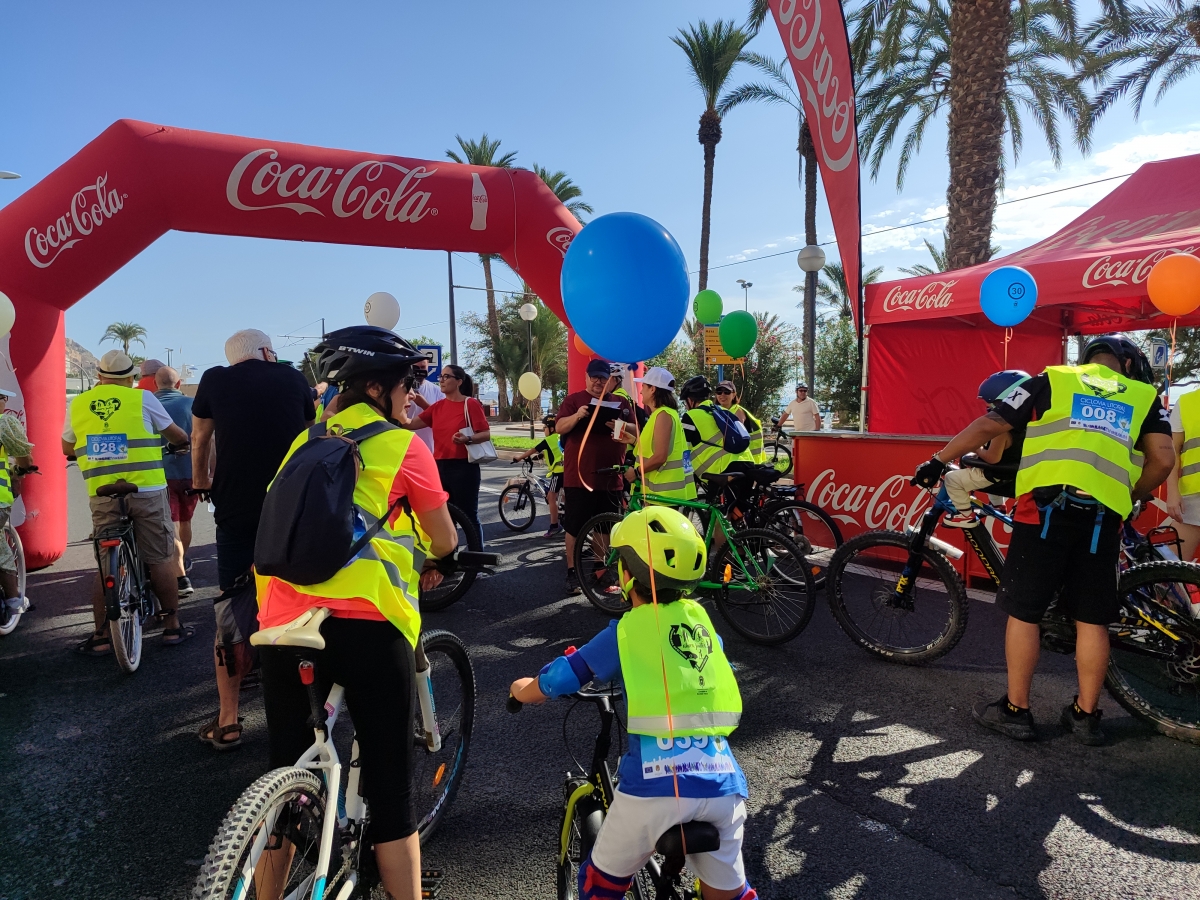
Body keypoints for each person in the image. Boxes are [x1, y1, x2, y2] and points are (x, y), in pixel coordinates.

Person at [256, 326, 457, 900]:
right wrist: (438, 555)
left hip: (282, 622)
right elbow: (442, 540)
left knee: (286, 781)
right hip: (366, 625)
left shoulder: (305, 440)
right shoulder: (402, 445)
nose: (408, 399)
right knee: (392, 793)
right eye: (404, 387)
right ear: (377, 388)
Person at [912, 334, 1174, 745]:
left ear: (1087, 359)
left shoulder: (1052, 379)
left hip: (1045, 514)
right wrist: (1133, 497)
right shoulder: (1142, 396)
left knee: (1026, 613)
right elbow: (1163, 459)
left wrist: (937, 460)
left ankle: (1017, 711)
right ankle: (1085, 717)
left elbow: (989, 424)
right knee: (1093, 621)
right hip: (1103, 518)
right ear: (1125, 365)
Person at [510, 506, 757, 900]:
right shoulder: (704, 626)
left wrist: (522, 689)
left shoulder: (626, 631)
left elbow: (563, 677)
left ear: (627, 575)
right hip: (721, 785)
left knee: (600, 884)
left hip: (654, 791)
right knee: (729, 893)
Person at [191, 329, 315, 749]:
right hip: (291, 508)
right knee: (301, 599)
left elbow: (200, 438)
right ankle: (312, 710)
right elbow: (311, 436)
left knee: (231, 604)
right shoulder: (293, 378)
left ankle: (228, 720)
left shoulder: (213, 379)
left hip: (236, 510)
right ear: (266, 352)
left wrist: (200, 480)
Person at [65, 350, 193, 655]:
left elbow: (66, 445)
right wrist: (182, 443)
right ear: (131, 378)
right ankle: (172, 627)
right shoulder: (142, 399)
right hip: (146, 489)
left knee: (103, 559)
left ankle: (99, 636)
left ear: (98, 376)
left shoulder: (79, 403)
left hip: (102, 491)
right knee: (160, 557)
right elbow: (174, 434)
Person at [556, 359, 635, 595]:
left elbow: (635, 429)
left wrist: (620, 425)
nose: (599, 382)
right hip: (578, 476)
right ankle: (572, 572)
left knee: (604, 527)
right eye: (595, 377)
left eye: (603, 377)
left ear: (610, 379)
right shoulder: (573, 400)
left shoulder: (619, 402)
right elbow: (560, 427)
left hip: (610, 476)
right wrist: (578, 416)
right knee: (574, 526)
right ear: (586, 377)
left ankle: (599, 568)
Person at [408, 364, 489, 544]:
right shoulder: (437, 407)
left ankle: (477, 559)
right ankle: (451, 560)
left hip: (464, 467)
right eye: (441, 377)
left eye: (446, 377)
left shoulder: (470, 404)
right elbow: (409, 424)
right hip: (438, 467)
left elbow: (486, 433)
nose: (442, 380)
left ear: (459, 381)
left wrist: (467, 439)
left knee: (468, 517)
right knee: (446, 517)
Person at [940, 370, 1029, 528]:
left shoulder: (1000, 429)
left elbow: (993, 458)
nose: (987, 408)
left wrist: (977, 448)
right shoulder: (1025, 424)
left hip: (997, 475)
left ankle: (965, 516)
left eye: (989, 403)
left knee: (952, 479)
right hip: (1015, 475)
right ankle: (997, 506)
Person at [613, 366, 696, 503]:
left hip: (663, 493)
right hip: (661, 492)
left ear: (653, 389)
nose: (640, 391)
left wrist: (637, 472)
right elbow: (657, 447)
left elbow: (660, 456)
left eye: (644, 386)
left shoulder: (663, 415)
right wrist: (634, 441)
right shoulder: (663, 414)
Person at [154, 366, 196, 596]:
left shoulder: (149, 403)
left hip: (161, 473)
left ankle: (179, 571)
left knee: (169, 525)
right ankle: (182, 562)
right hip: (189, 472)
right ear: (178, 385)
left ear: (155, 384)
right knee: (186, 521)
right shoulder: (192, 404)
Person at [0, 387, 35, 622]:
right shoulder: (4, 423)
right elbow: (23, 454)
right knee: (1, 549)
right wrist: (23, 468)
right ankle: (14, 599)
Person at [514, 414, 565, 537]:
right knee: (563, 496)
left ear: (551, 428)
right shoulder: (558, 437)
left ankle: (554, 526)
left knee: (550, 497)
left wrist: (519, 457)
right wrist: (540, 457)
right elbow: (553, 451)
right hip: (566, 470)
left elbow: (533, 449)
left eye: (544, 428)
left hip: (559, 472)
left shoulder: (548, 440)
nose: (543, 430)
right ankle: (566, 518)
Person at [1166, 386, 1200, 568]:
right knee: (1170, 570)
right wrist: (1172, 493)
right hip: (1194, 499)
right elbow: (1172, 451)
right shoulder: (1186, 402)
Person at [714, 381, 764, 464]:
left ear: (734, 395)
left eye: (727, 392)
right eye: (719, 392)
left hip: (748, 457)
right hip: (738, 456)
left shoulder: (737, 411)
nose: (722, 395)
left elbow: (737, 435)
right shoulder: (719, 410)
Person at [405, 354, 445, 453]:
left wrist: (423, 403)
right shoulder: (399, 389)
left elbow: (442, 419)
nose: (419, 370)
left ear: (428, 367)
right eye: (416, 367)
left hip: (429, 448)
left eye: (423, 367)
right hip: (405, 447)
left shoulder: (438, 391)